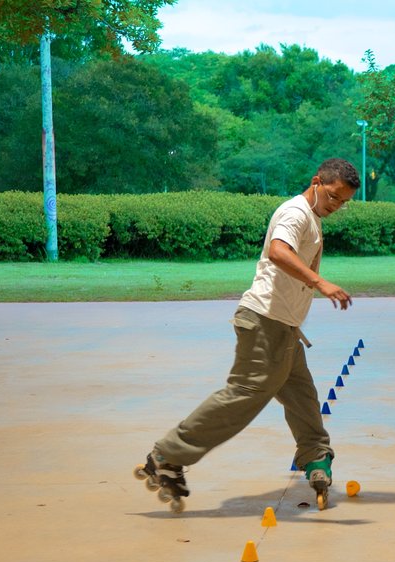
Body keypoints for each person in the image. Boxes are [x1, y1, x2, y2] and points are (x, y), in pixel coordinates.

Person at [134, 158, 360, 513]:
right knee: (245, 395)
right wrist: (319, 282)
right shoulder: (296, 213)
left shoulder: (311, 217)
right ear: (316, 182)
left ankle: (316, 457)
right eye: (332, 196)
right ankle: (167, 455)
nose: (336, 206)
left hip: (283, 326)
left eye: (343, 202)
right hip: (264, 322)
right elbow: (278, 251)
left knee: (301, 394)